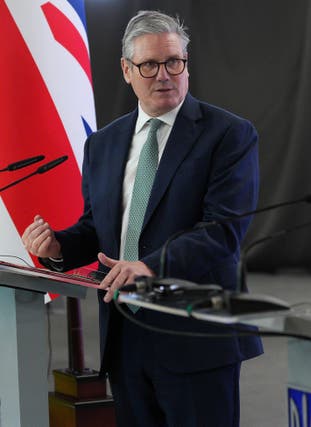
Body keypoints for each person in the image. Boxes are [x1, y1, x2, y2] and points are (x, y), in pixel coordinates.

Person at [21, 10, 262, 427]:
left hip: (195, 334)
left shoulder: (228, 135)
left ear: (186, 64)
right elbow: (98, 228)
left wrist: (149, 266)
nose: (164, 74)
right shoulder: (103, 143)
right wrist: (57, 247)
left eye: (174, 62)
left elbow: (223, 232)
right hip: (125, 335)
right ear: (127, 71)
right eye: (150, 65)